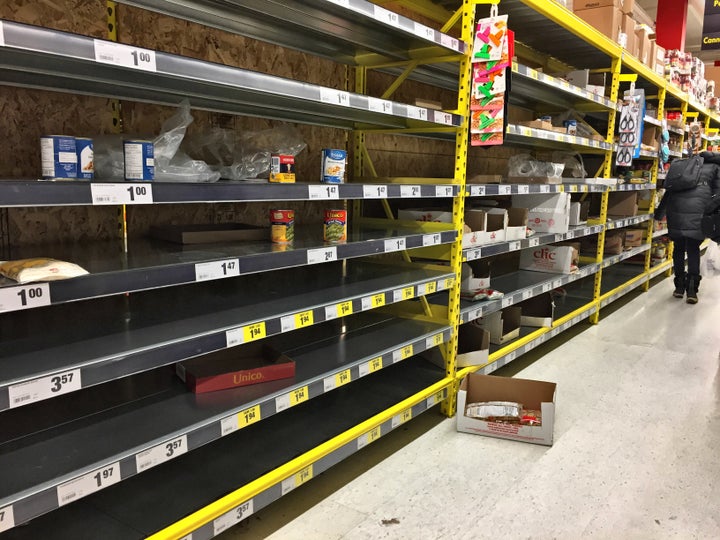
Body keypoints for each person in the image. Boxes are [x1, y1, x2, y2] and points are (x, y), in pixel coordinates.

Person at [655, 149, 720, 304]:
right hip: (698, 212)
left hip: (675, 209)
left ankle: (679, 286)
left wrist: (659, 214)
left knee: (678, 247)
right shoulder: (715, 168)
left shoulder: (684, 165)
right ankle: (692, 289)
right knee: (692, 249)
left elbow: (669, 190)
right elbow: (718, 195)